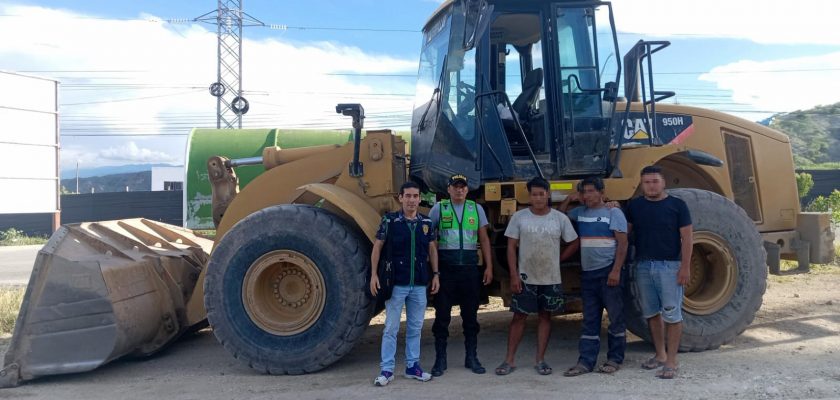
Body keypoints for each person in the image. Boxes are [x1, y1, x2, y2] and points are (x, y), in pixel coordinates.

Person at [495, 176, 579, 376]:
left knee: (545, 317)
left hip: (551, 278)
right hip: (525, 278)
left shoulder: (559, 218)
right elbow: (510, 247)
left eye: (542, 194)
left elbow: (574, 242)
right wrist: (514, 276)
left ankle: (540, 360)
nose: (539, 198)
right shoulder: (519, 217)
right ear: (530, 196)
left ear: (548, 195)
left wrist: (558, 259)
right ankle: (509, 360)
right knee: (518, 317)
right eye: (535, 194)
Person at [370, 181, 440, 386]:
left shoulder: (426, 223)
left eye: (415, 196)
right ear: (400, 198)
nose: (411, 200)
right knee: (391, 328)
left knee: (415, 327)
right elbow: (377, 247)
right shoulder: (390, 221)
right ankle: (387, 370)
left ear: (420, 199)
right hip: (396, 284)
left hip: (418, 283)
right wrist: (374, 275)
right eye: (407, 196)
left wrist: (435, 274)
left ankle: (412, 367)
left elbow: (432, 249)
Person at [625, 165, 692, 379]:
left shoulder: (678, 205)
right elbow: (624, 233)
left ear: (664, 182)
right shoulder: (635, 207)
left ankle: (672, 361)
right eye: (647, 182)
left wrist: (685, 267)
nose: (651, 185)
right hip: (643, 266)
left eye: (655, 181)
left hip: (670, 266)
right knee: (652, 314)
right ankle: (660, 355)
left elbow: (688, 238)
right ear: (642, 184)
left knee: (672, 315)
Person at [559, 176, 629, 377]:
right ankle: (586, 362)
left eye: (591, 191)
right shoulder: (580, 212)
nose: (588, 195)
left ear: (601, 192)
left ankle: (615, 359)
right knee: (590, 319)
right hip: (588, 274)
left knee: (615, 318)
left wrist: (616, 271)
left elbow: (622, 244)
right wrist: (569, 199)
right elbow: (559, 217)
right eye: (584, 192)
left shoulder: (613, 212)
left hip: (608, 273)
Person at [429, 174, 494, 377]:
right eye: (455, 187)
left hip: (469, 270)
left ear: (467, 190)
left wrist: (489, 267)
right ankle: (440, 360)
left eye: (462, 187)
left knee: (470, 317)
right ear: (448, 189)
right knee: (441, 318)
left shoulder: (476, 209)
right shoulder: (439, 208)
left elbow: (484, 239)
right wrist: (434, 272)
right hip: (447, 270)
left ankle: (471, 357)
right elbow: (430, 240)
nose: (459, 190)